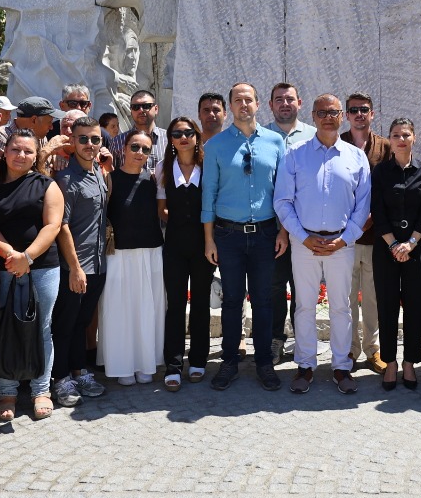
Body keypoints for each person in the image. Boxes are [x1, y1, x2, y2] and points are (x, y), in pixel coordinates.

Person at [273, 94, 371, 394]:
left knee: (342, 307)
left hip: (342, 243)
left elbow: (363, 206)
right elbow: (282, 201)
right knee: (304, 307)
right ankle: (305, 365)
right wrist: (303, 237)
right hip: (305, 243)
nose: (329, 117)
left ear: (341, 116)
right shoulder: (296, 154)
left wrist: (345, 239)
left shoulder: (356, 157)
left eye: (334, 112)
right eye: (322, 112)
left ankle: (341, 367)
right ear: (313, 116)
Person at [202, 82, 290, 391]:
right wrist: (209, 239)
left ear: (257, 104)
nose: (243, 104)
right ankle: (229, 361)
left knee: (264, 301)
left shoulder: (276, 142)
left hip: (266, 234)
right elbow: (208, 195)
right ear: (230, 107)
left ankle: (264, 362)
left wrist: (283, 231)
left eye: (248, 99)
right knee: (232, 301)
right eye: (237, 100)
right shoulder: (215, 146)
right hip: (228, 236)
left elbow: (283, 192)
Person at [0, 128, 65, 421]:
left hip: (42, 266)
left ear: (36, 154)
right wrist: (11, 257)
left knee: (42, 328)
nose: (21, 155)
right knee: (4, 327)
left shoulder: (47, 185)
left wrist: (26, 257)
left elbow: (52, 227)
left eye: (28, 151)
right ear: (6, 151)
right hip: (4, 266)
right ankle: (7, 391)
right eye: (16, 149)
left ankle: (41, 389)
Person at [48, 117, 110, 406]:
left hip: (98, 263)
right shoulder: (66, 178)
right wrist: (74, 268)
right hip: (75, 265)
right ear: (72, 142)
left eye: (94, 139)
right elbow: (62, 226)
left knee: (82, 321)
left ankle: (79, 370)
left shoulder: (98, 171)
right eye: (83, 139)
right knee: (66, 323)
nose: (89, 144)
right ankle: (60, 378)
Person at [372, 118, 421, 391]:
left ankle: (410, 363)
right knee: (386, 306)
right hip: (386, 247)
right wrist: (393, 245)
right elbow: (377, 210)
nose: (401, 139)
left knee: (415, 306)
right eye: (396, 135)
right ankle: (390, 363)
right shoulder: (381, 172)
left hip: (416, 248)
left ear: (414, 138)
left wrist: (409, 244)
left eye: (406, 134)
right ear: (390, 139)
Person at [103, 129, 166, 385]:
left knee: (148, 310)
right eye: (135, 147)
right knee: (119, 310)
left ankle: (146, 362)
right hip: (118, 254)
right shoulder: (109, 179)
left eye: (145, 149)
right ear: (124, 149)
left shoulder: (154, 181)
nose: (140, 153)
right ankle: (122, 365)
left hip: (151, 252)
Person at [159, 115, 214, 389]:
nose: (184, 137)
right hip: (175, 245)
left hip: (204, 244)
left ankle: (199, 360)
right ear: (170, 139)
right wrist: (180, 219)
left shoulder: (209, 166)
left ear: (197, 136)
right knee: (176, 305)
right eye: (177, 133)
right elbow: (162, 209)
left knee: (201, 303)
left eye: (189, 132)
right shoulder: (163, 168)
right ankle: (173, 363)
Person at [340, 92, 390, 374]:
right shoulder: (337, 144)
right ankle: (349, 350)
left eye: (365, 110)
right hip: (344, 239)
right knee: (346, 299)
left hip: (375, 239)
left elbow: (390, 190)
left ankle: (373, 351)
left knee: (372, 298)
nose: (359, 114)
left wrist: (372, 221)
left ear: (372, 114)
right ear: (347, 115)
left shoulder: (384, 148)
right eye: (354, 110)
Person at [266, 82, 316, 361]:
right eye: (279, 100)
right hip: (271, 228)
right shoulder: (260, 135)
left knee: (303, 288)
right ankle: (275, 339)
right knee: (274, 286)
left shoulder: (313, 135)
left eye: (289, 99)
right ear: (271, 105)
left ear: (299, 102)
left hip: (306, 228)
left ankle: (304, 340)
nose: (285, 104)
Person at [112, 89, 167, 175]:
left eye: (146, 106)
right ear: (131, 110)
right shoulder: (117, 142)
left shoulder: (170, 139)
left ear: (156, 109)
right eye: (135, 107)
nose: (141, 110)